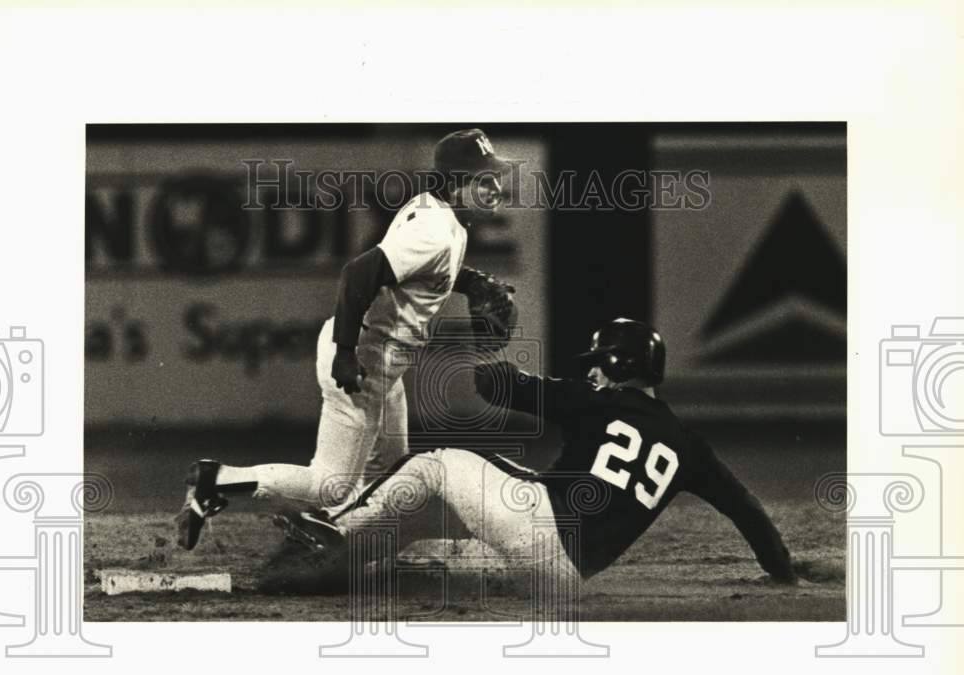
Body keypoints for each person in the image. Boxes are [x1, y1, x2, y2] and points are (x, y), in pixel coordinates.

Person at [275, 318, 800, 594]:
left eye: (599, 362)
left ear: (620, 363)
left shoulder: (594, 399)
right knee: (424, 556)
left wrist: (489, 333)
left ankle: (334, 530)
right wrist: (783, 574)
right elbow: (748, 511)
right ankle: (333, 572)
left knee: (434, 463)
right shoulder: (689, 446)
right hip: (564, 577)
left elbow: (491, 384)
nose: (592, 371)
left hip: (539, 525)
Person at [176, 128, 518, 549]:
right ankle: (216, 482)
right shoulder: (433, 227)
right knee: (332, 487)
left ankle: (352, 547)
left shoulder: (442, 218)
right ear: (454, 181)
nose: (495, 187)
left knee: (390, 481)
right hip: (362, 363)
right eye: (483, 179)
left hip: (381, 368)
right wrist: (345, 352)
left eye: (494, 177)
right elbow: (358, 273)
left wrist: (472, 283)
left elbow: (421, 270)